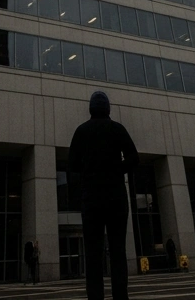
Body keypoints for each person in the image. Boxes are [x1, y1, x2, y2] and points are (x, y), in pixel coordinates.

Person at [68, 90, 138, 300]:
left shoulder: (81, 131)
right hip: (116, 196)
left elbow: (72, 165)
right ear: (108, 109)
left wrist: (88, 172)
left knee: (93, 254)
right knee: (118, 253)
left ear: (91, 109)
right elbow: (134, 159)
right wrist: (117, 169)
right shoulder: (117, 129)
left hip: (91, 198)